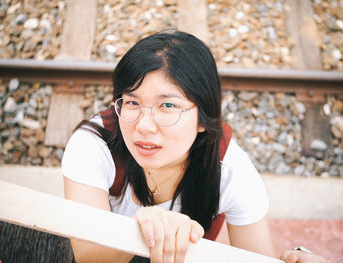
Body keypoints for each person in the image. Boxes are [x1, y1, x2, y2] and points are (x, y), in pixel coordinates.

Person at [62, 30, 276, 263]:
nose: (144, 126)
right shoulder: (94, 144)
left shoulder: (230, 170)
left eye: (167, 105)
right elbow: (88, 257)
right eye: (133, 102)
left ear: (204, 119)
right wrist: (144, 228)